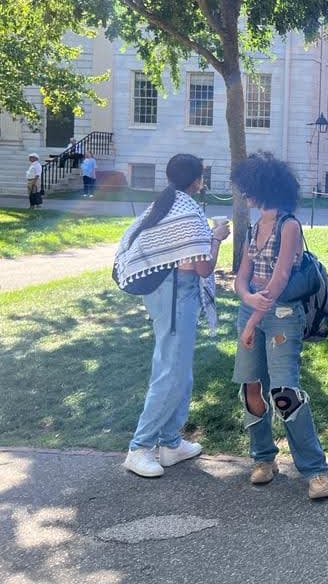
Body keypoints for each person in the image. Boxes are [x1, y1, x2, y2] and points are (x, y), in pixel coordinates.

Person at [114, 154, 229, 477]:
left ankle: (170, 442)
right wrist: (216, 237)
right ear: (198, 180)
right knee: (170, 372)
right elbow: (203, 265)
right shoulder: (188, 212)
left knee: (178, 367)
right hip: (178, 296)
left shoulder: (163, 204)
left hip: (164, 293)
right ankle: (140, 447)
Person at [231, 152, 328, 501]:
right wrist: (247, 299)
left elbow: (280, 279)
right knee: (251, 388)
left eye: (248, 189)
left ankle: (315, 470)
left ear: (262, 188)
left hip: (282, 317)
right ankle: (263, 460)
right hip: (252, 313)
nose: (245, 195)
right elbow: (240, 277)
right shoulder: (253, 227)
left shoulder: (289, 225)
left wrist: (255, 315)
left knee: (284, 393)